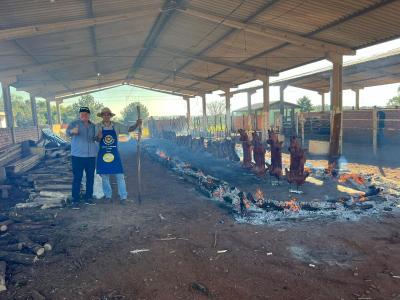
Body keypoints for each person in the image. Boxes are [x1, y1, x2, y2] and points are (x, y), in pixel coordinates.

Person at [96, 107, 142, 203]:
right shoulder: (97, 126)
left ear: (110, 116)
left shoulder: (116, 125)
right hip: (103, 154)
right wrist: (98, 137)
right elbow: (94, 139)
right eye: (104, 114)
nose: (106, 116)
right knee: (104, 176)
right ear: (102, 116)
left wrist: (137, 124)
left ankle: (123, 197)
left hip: (114, 153)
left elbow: (129, 129)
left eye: (108, 114)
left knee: (119, 175)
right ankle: (108, 196)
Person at [66, 107, 98, 208]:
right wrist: (72, 131)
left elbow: (96, 138)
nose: (84, 115)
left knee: (90, 178)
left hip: (91, 156)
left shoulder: (93, 126)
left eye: (86, 113)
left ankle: (88, 197)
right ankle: (75, 200)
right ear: (80, 115)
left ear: (89, 115)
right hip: (77, 156)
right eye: (82, 113)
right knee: (77, 178)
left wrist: (99, 136)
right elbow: (67, 133)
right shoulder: (74, 123)